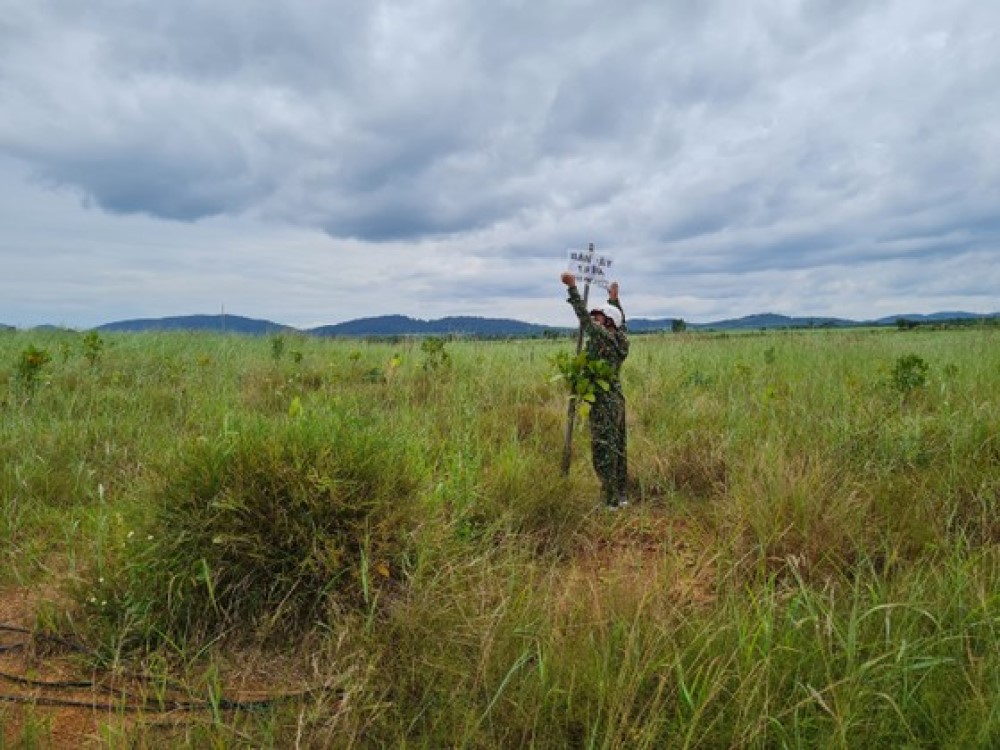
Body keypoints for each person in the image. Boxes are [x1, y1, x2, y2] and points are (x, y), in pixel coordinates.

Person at [560, 272, 630, 508]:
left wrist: (572, 288)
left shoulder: (603, 338)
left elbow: (584, 320)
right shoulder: (620, 339)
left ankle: (609, 501)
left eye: (600, 317)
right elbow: (623, 322)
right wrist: (614, 300)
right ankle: (620, 496)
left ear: (608, 322)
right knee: (618, 447)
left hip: (603, 401)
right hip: (616, 398)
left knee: (603, 450)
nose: (595, 320)